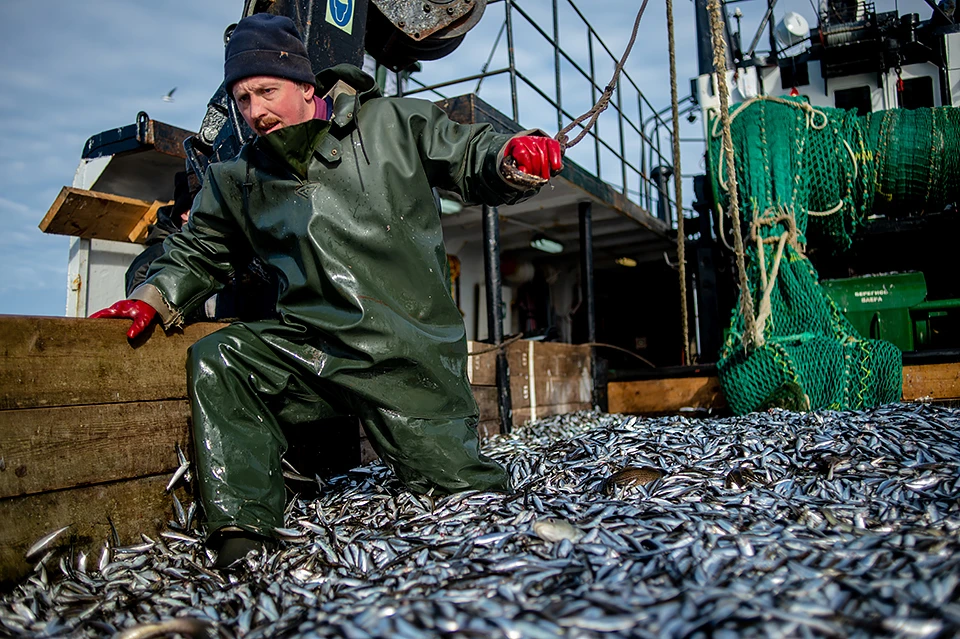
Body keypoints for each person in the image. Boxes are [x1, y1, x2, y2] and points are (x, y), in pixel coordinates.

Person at [92, 13, 562, 568]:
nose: (255, 111)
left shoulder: (393, 123)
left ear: (306, 85)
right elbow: (201, 251)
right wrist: (152, 295)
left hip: (406, 356)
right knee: (221, 358)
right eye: (243, 99)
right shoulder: (235, 177)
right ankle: (243, 531)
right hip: (312, 350)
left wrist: (511, 159)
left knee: (469, 503)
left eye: (266, 91)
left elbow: (468, 155)